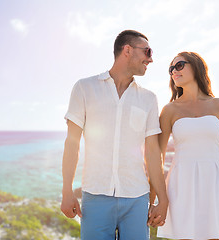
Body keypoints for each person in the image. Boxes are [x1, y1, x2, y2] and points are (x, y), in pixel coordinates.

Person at [60, 30, 168, 240]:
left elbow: (153, 153)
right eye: (147, 51)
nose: (151, 59)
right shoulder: (84, 88)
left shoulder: (149, 99)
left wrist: (162, 200)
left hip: (137, 198)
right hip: (95, 196)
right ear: (127, 50)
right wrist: (67, 191)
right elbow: (72, 144)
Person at [156, 52, 219, 239]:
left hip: (215, 183)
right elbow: (157, 156)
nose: (174, 71)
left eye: (180, 65)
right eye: (171, 68)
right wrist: (154, 199)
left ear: (197, 67)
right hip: (180, 185)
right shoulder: (169, 110)